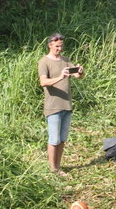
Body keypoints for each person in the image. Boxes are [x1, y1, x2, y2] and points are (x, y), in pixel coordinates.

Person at [37, 33, 84, 176]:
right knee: (54, 139)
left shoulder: (65, 60)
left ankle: (58, 166)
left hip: (66, 105)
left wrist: (80, 71)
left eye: (61, 46)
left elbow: (77, 76)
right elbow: (43, 82)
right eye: (57, 46)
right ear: (50, 45)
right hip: (53, 106)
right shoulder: (44, 62)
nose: (60, 48)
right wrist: (60, 77)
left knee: (62, 139)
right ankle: (53, 169)